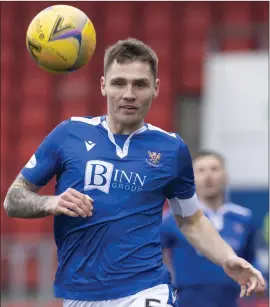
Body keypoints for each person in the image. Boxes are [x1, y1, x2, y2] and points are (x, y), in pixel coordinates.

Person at [4, 38, 264, 307]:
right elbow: (13, 199)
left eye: (140, 84)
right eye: (119, 83)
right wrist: (51, 202)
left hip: (146, 288)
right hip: (80, 294)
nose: (129, 94)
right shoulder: (68, 134)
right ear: (103, 85)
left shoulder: (171, 149)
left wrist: (227, 257)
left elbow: (191, 220)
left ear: (155, 88)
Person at [161, 150, 260, 307]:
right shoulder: (174, 218)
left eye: (214, 169)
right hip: (187, 299)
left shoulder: (243, 217)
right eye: (200, 171)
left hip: (230, 299)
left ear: (225, 176)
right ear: (190, 179)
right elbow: (156, 255)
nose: (208, 176)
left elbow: (250, 258)